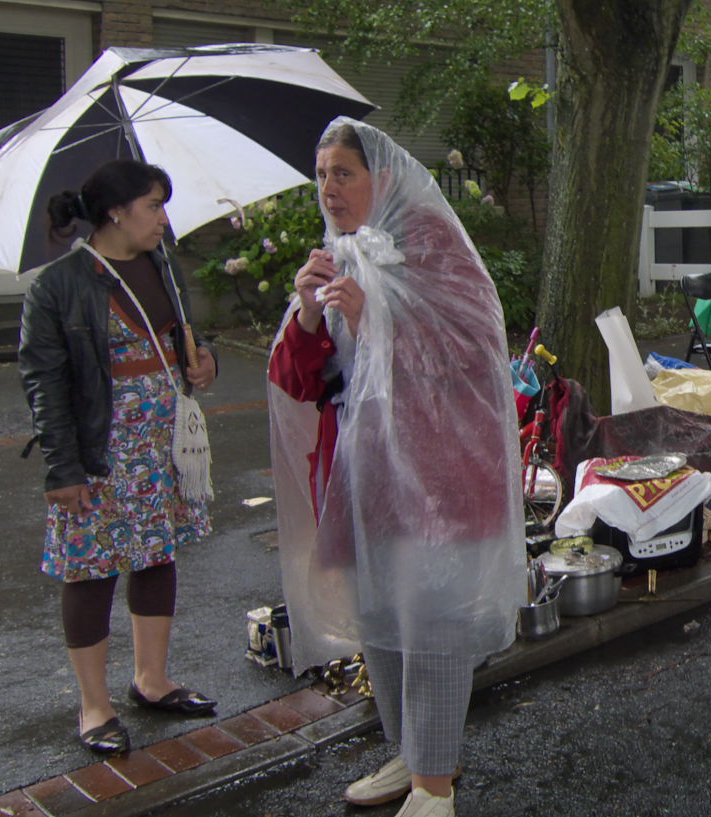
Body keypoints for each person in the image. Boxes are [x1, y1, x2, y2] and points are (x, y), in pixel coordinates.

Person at [267, 118, 522, 817]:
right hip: (370, 472)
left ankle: (434, 783)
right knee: (380, 611)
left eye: (342, 173)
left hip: (440, 474)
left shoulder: (434, 243)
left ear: (382, 176)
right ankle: (412, 752)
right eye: (321, 175)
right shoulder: (338, 252)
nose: (329, 189)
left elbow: (474, 350)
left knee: (431, 619)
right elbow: (302, 373)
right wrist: (311, 316)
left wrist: (378, 318)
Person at [19, 159, 220, 755]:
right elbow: (44, 383)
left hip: (164, 441)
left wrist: (205, 358)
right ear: (116, 211)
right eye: (154, 205)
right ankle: (94, 707)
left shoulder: (163, 265)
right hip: (102, 448)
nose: (164, 218)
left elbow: (184, 336)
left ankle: (152, 680)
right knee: (91, 568)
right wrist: (63, 468)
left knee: (156, 555)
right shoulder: (58, 285)